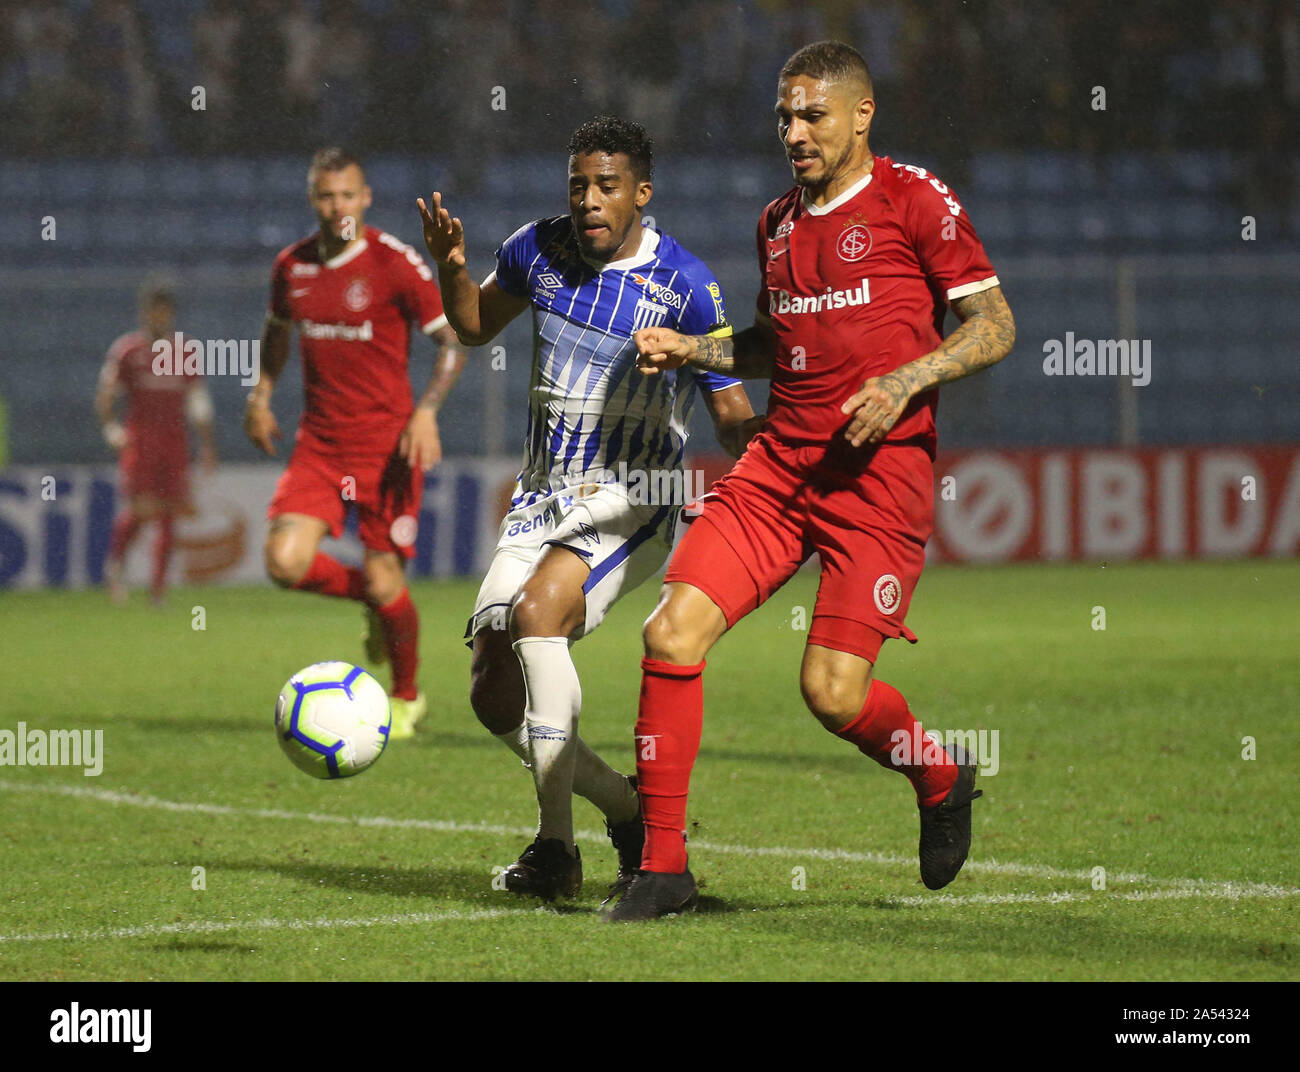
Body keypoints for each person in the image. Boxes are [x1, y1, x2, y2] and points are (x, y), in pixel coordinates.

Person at [613, 41, 1017, 921]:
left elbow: (994, 327)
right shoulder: (777, 223)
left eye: (812, 116)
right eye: (783, 119)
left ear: (861, 115)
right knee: (671, 632)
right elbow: (773, 343)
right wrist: (697, 349)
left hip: (879, 484)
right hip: (778, 468)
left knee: (830, 693)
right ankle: (664, 869)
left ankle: (942, 776)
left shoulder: (917, 200)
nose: (793, 134)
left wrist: (907, 379)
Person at [417, 115, 761, 902]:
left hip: (631, 500)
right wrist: (450, 270)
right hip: (542, 498)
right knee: (490, 692)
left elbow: (734, 417)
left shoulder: (684, 286)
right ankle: (625, 807)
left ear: (641, 192)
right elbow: (471, 328)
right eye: (578, 185)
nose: (589, 200)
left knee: (539, 616)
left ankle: (554, 853)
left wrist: (792, 459)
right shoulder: (536, 249)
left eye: (607, 186)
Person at [246, 147, 465, 739]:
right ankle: (372, 603)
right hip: (319, 444)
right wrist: (261, 394)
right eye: (326, 195)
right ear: (312, 199)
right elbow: (275, 332)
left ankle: (407, 696)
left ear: (365, 198)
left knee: (384, 579)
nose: (337, 206)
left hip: (387, 449)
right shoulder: (291, 266)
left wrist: (425, 413)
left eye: (347, 195)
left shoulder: (394, 264)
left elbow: (452, 342)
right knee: (283, 563)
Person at [97, 284, 217, 606]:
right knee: (141, 511)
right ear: (143, 313)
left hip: (175, 443)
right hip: (141, 441)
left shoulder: (186, 350)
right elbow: (107, 396)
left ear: (172, 315)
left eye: (164, 311)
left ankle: (158, 591)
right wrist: (111, 429)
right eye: (154, 310)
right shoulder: (127, 350)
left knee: (169, 514)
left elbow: (198, 400)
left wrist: (206, 445)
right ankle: (116, 566)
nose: (159, 316)